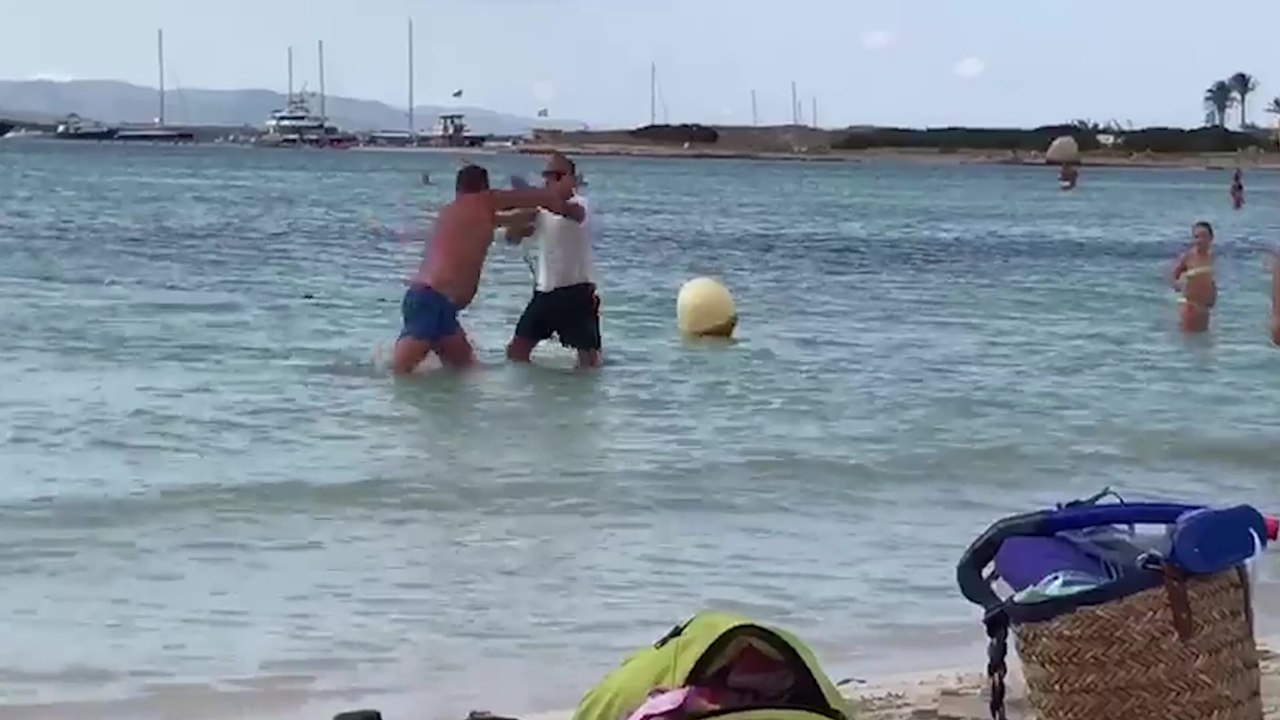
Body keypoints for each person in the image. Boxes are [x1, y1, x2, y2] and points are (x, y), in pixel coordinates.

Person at [391, 164, 575, 375]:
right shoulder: (483, 201)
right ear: (485, 188)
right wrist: (560, 192)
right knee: (399, 374)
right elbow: (527, 197)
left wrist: (536, 218)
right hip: (430, 302)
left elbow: (507, 220)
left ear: (458, 189)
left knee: (466, 372)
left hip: (440, 307)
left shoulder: (457, 211)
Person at [502, 153, 603, 368]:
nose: (550, 181)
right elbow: (512, 238)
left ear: (573, 179)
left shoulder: (582, 204)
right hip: (544, 293)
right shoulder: (541, 209)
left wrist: (533, 197)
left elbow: (568, 212)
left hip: (576, 294)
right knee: (516, 352)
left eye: (557, 176)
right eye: (547, 176)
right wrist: (518, 217)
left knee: (589, 362)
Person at [1170, 221, 1217, 333]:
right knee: (1189, 340)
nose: (1199, 240)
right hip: (1190, 307)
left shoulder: (1213, 257)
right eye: (1196, 237)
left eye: (1203, 237)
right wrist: (1180, 287)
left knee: (1202, 344)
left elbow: (1209, 280)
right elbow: (1174, 276)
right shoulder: (1189, 256)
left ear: (1211, 238)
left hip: (1205, 308)